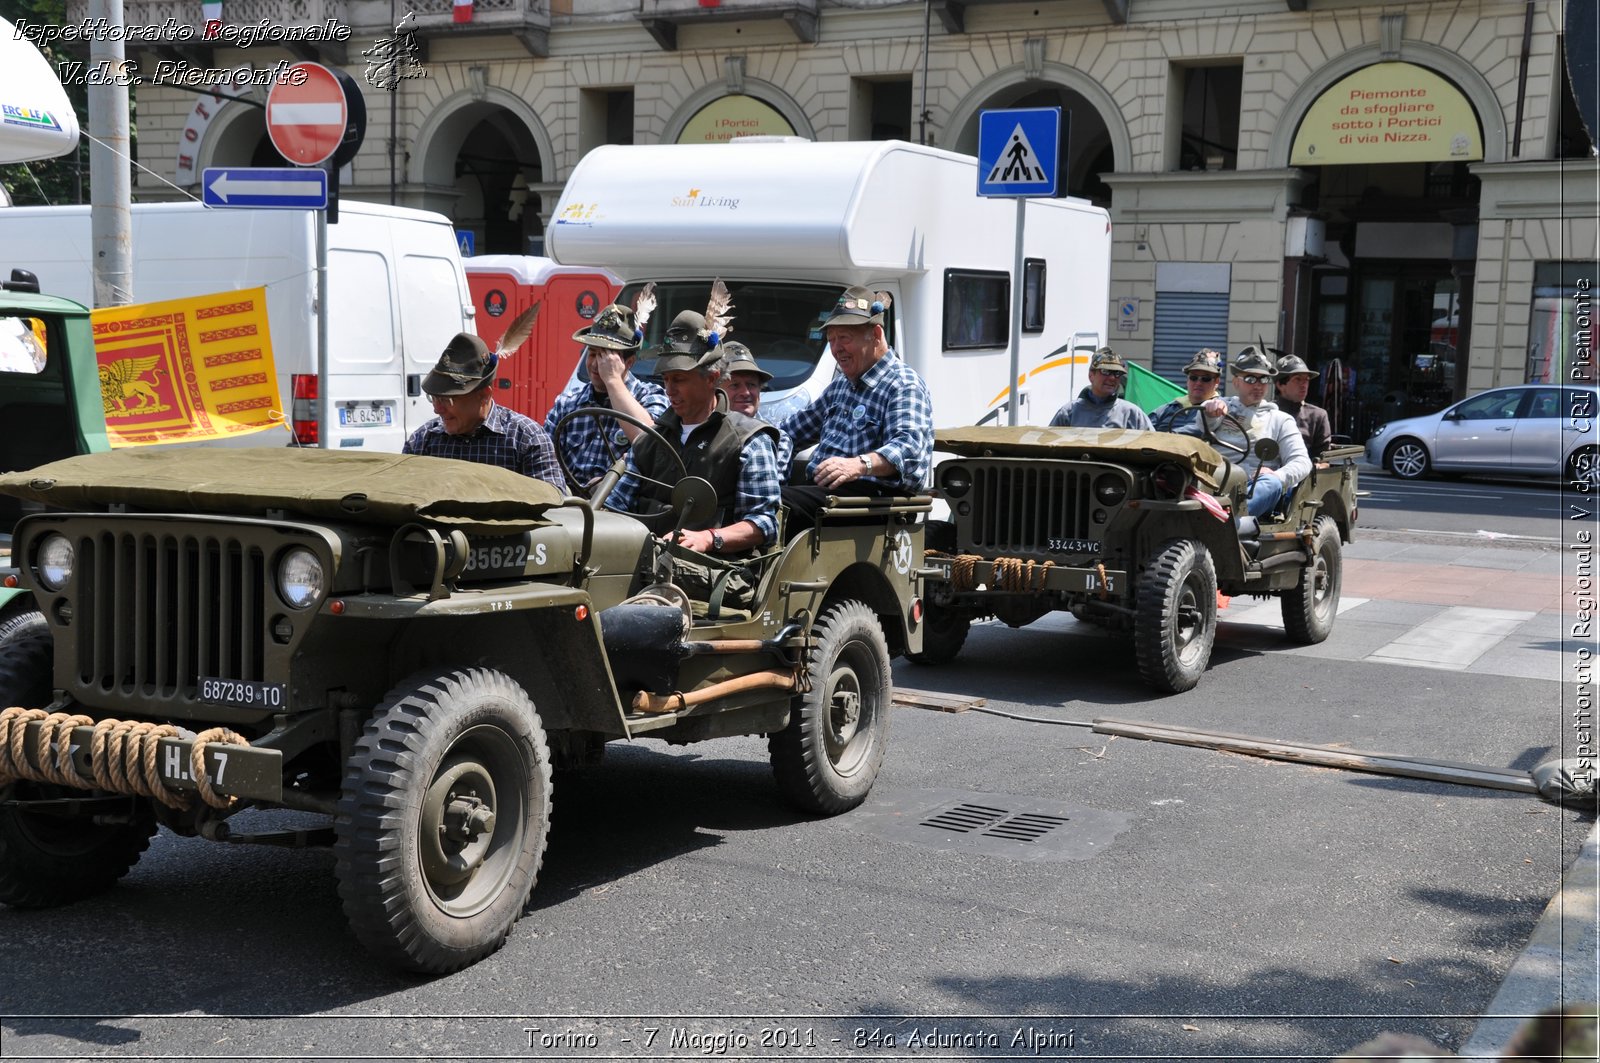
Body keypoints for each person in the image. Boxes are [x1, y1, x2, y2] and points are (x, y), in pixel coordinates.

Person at [607, 301, 782, 557]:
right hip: (642, 564)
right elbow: (616, 507)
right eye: (666, 380)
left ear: (711, 379)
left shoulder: (748, 440)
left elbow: (765, 524)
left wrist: (708, 539)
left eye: (679, 379)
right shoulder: (651, 440)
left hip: (713, 572)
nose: (669, 390)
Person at [779, 286, 934, 532]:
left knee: (776, 505)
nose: (836, 348)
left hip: (871, 504)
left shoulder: (903, 384)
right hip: (828, 498)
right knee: (758, 498)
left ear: (875, 334)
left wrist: (858, 465)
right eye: (831, 340)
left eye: (844, 338)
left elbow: (909, 449)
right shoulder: (841, 384)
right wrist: (772, 472)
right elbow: (788, 432)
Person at [402, 332, 565, 490]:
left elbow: (553, 505)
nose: (437, 409)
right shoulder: (422, 441)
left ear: (484, 396)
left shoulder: (527, 440)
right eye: (434, 398)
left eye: (447, 400)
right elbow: (400, 496)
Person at [544, 292, 669, 490]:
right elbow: (545, 462)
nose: (595, 365)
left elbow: (649, 445)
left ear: (629, 362)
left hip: (622, 510)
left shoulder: (651, 397)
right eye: (592, 354)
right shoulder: (566, 404)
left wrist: (612, 380)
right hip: (567, 505)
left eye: (606, 357)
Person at [1192, 346, 1312, 528]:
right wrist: (1211, 410)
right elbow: (1202, 422)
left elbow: (1302, 462)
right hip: (1214, 480)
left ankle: (1222, 523)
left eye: (1264, 379)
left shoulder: (1279, 419)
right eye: (1250, 378)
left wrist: (1279, 475)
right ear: (1236, 382)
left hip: (1252, 487)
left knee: (1271, 484)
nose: (1258, 385)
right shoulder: (1222, 407)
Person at [719, 340, 795, 475]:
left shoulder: (777, 439)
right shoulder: (701, 429)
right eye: (735, 385)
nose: (746, 393)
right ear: (716, 390)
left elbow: (767, 488)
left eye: (751, 384)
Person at [1048, 347, 1154, 429]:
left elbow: (1152, 447)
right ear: (1091, 375)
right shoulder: (1069, 413)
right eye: (1105, 371)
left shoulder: (1132, 414)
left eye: (1117, 373)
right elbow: (1049, 446)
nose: (1112, 378)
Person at [1273, 352, 1333, 459]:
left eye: (1307, 380)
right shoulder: (1267, 412)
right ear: (1280, 385)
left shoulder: (1317, 415)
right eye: (1297, 379)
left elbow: (1323, 458)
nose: (1304, 385)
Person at [1150, 348, 1223, 433]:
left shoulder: (1221, 411)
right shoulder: (1167, 409)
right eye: (1193, 377)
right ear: (1187, 379)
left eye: (1205, 378)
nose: (1198, 383)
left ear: (1217, 382)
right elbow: (1143, 432)